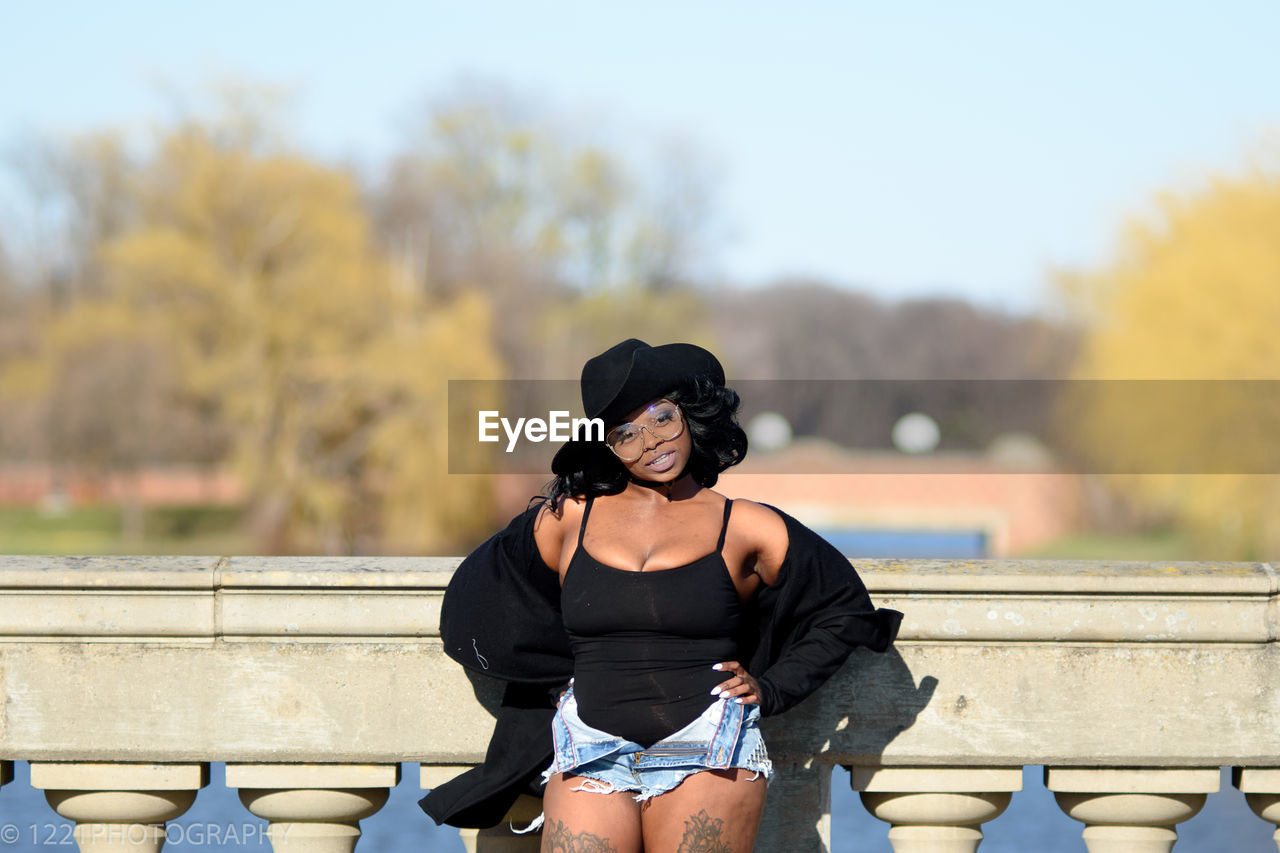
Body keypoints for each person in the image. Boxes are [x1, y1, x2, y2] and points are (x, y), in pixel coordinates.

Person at [419, 339, 902, 851]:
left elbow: (842, 610)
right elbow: (490, 601)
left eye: (662, 418)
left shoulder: (747, 525)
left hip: (711, 747)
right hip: (588, 747)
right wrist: (551, 678)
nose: (650, 441)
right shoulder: (567, 520)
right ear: (604, 446)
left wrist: (774, 687)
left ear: (691, 415)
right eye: (625, 433)